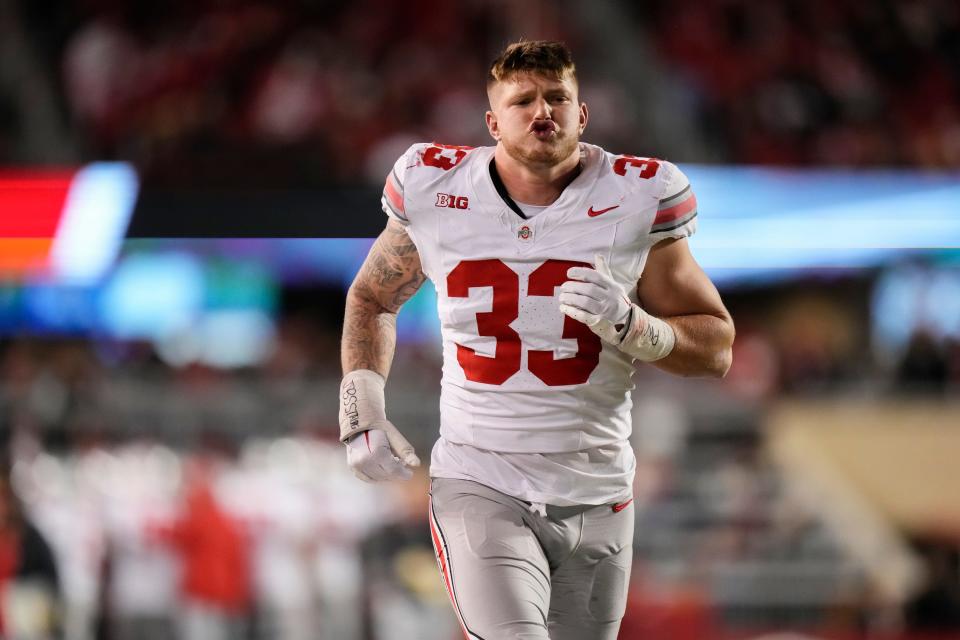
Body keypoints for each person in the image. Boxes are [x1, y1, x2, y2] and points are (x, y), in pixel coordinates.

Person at [339, 40, 735, 640]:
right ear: (492, 122)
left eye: (557, 97)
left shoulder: (637, 197)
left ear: (582, 114)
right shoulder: (435, 186)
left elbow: (716, 348)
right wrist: (360, 407)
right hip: (483, 481)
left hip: (599, 491)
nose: (541, 111)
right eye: (523, 100)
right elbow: (372, 297)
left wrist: (636, 327)